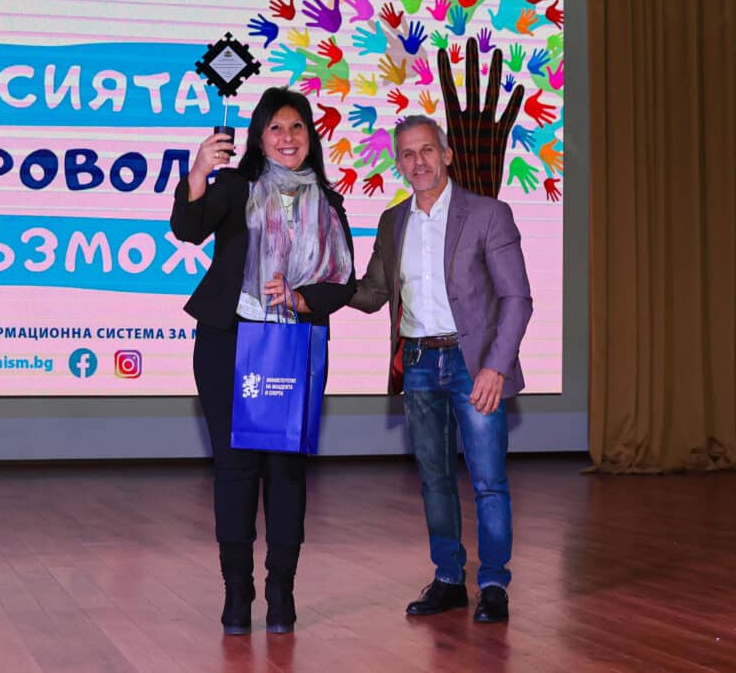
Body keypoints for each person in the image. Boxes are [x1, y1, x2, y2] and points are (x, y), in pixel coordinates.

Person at [170, 87, 355, 635]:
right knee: (234, 468)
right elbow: (188, 228)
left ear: (310, 137)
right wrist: (198, 171)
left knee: (286, 471)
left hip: (294, 343)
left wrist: (300, 298)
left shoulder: (328, 201)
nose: (287, 137)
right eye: (275, 128)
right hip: (228, 343)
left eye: (296, 127)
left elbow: (343, 280)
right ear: (258, 136)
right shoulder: (235, 186)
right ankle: (236, 592)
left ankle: (281, 592)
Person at [347, 115, 532, 623]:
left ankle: (493, 583)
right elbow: (372, 293)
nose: (418, 161)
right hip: (419, 362)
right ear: (399, 163)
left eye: (427, 150)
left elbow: (517, 298)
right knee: (434, 479)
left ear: (446, 155)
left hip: (475, 366)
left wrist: (496, 367)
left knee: (488, 480)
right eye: (407, 154)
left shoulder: (488, 214)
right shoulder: (393, 221)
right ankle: (449, 578)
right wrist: (319, 284)